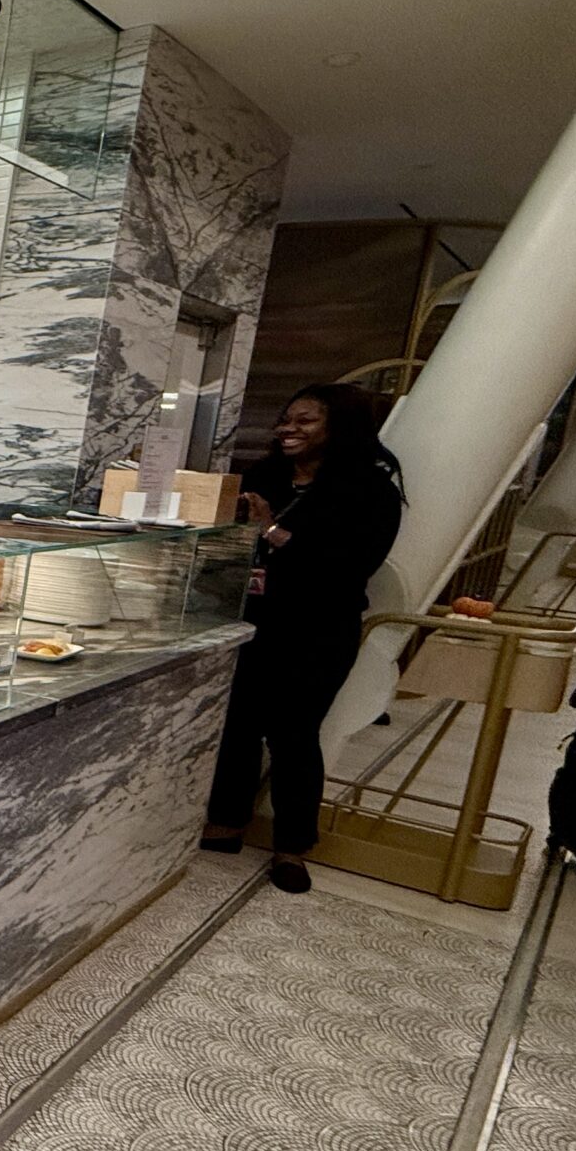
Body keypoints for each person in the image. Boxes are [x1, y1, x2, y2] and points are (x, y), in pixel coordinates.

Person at [202, 383, 405, 894]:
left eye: (305, 421)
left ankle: (291, 847)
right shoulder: (265, 474)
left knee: (294, 734)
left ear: (340, 426)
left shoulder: (369, 489)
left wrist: (272, 533)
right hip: (252, 618)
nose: (288, 429)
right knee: (239, 725)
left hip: (319, 628)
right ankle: (227, 822)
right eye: (285, 419)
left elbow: (354, 566)